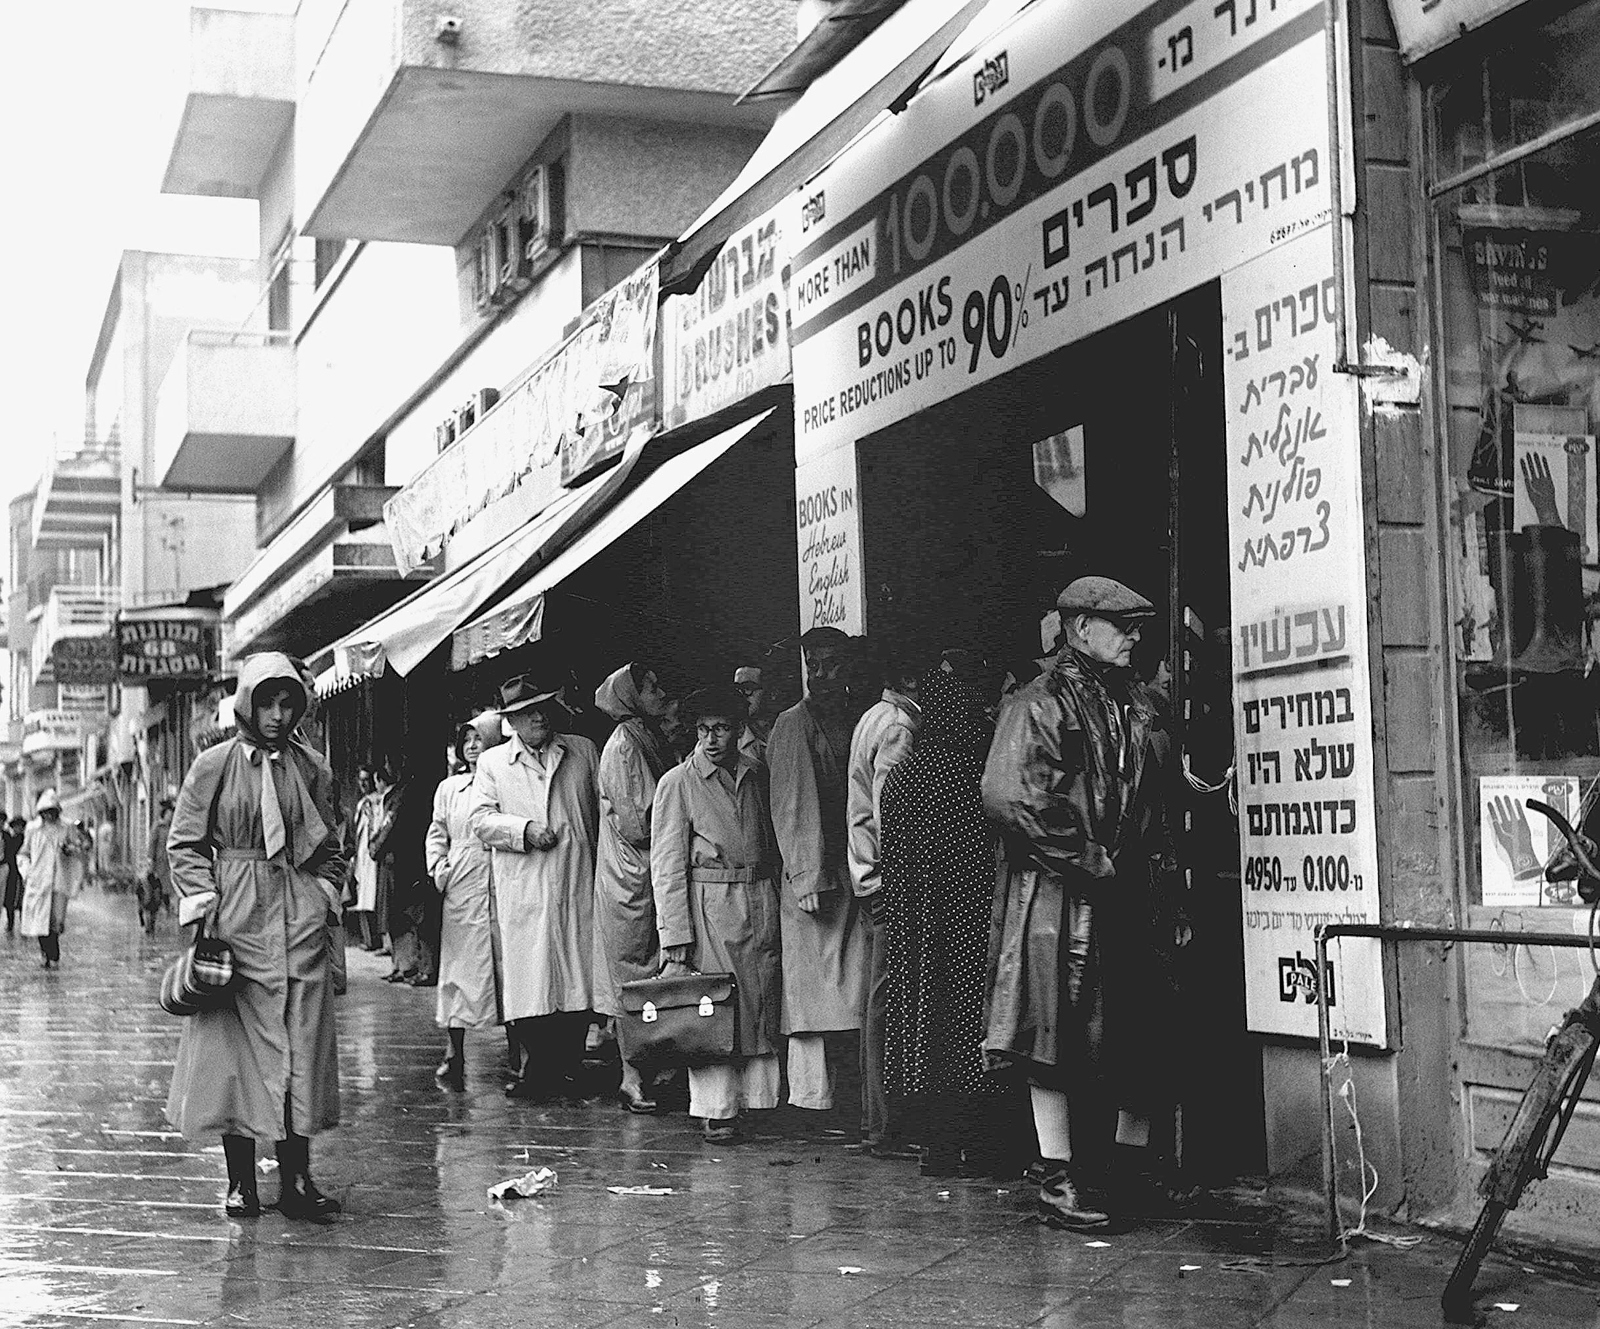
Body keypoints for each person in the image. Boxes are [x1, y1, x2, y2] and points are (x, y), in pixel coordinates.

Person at [982, 576, 1186, 1230]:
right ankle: (1057, 1176)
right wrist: (1089, 857)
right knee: (1054, 1031)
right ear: (1079, 629)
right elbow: (1012, 795)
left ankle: (1128, 1167)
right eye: (1121, 625)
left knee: (1141, 1025)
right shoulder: (1037, 703)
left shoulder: (1134, 703)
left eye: (1135, 626)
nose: (1133, 636)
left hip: (1122, 890)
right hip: (1060, 894)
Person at [165, 652, 346, 1221]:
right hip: (236, 916)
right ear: (245, 703)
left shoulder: (313, 768)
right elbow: (185, 844)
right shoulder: (214, 765)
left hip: (298, 917)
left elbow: (332, 848)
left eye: (287, 702)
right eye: (265, 702)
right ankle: (240, 1180)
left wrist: (320, 896)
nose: (276, 714)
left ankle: (298, 1180)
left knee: (303, 1045)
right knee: (233, 1054)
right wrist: (207, 906)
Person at [881, 666, 1003, 1176]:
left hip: (915, 922)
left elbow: (893, 849)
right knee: (965, 1024)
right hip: (967, 918)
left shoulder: (907, 774)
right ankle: (973, 1138)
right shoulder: (972, 770)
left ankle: (934, 1141)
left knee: (920, 1024)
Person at [652, 685, 783, 1141]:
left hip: (760, 896)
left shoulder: (756, 774)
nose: (711, 739)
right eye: (704, 729)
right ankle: (717, 1107)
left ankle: (759, 1101)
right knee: (716, 1006)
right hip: (709, 903)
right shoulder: (678, 782)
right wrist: (675, 937)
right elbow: (666, 866)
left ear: (738, 729)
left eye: (722, 728)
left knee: (760, 1001)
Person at [469, 669, 601, 1100]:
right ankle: (534, 1068)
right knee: (531, 979)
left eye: (543, 709)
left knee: (577, 976)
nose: (538, 718)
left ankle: (571, 1064)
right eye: (527, 713)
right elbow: (480, 821)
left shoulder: (581, 751)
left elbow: (603, 810)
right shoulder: (492, 763)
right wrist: (523, 830)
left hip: (577, 876)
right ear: (512, 720)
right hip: (525, 882)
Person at [767, 626, 871, 1125]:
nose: (825, 674)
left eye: (833, 663)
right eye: (816, 665)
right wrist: (807, 877)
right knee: (812, 995)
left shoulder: (850, 717)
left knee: (845, 988)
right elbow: (792, 806)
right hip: (813, 876)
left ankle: (844, 1099)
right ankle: (812, 1103)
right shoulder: (793, 725)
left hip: (844, 870)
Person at [845, 643, 924, 1158]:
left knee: (882, 999)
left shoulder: (876, 715)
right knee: (890, 1001)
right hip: (889, 880)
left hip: (872, 874)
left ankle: (881, 1120)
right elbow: (891, 809)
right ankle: (886, 1122)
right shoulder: (900, 726)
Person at [592, 662, 678, 1114]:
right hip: (630, 876)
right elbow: (638, 821)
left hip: (640, 872)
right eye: (652, 687)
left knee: (649, 973)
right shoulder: (625, 745)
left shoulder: (642, 737)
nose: (660, 693)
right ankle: (631, 1076)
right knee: (631, 977)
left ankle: (652, 1065)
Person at [426, 713, 506, 1088]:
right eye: (467, 740)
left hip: (497, 876)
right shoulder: (450, 788)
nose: (473, 746)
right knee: (458, 969)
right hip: (460, 880)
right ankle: (454, 1051)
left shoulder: (504, 780)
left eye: (480, 738)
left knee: (505, 963)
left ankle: (518, 1050)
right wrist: (440, 868)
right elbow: (437, 831)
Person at [18, 789, 88, 967]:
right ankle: (47, 954)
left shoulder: (66, 827)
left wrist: (70, 850)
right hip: (38, 879)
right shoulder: (33, 829)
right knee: (40, 920)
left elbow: (77, 848)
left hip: (59, 879)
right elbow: (24, 854)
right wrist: (27, 873)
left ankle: (53, 954)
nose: (49, 815)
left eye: (52, 811)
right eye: (46, 812)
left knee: (55, 920)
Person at [348, 767, 381, 950]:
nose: (363, 784)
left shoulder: (377, 801)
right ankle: (367, 939)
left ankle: (376, 940)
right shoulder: (362, 803)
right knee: (362, 895)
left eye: (366, 780)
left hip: (372, 854)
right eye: (360, 780)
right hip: (362, 853)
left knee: (372, 896)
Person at [139, 795, 176, 933]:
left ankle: (167, 917)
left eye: (172, 815)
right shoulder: (158, 827)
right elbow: (151, 847)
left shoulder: (174, 828)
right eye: (169, 815)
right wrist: (150, 864)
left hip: (170, 866)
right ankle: (151, 922)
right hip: (159, 867)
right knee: (155, 896)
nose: (170, 817)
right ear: (164, 815)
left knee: (167, 894)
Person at [734, 666, 772, 767]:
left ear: (770, 692)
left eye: (747, 688)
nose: (741, 695)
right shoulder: (731, 737)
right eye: (737, 689)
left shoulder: (784, 729)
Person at [3, 813, 26, 933]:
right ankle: (10, 921)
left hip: (22, 872)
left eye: (20, 826)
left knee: (22, 898)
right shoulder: (8, 838)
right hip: (11, 871)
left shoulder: (25, 839)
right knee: (9, 898)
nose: (18, 828)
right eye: (16, 826)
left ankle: (23, 923)